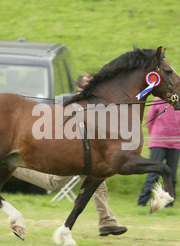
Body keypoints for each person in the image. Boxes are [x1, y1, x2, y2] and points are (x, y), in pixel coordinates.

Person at [13, 74, 127, 236]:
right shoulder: (71, 104)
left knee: (99, 186)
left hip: (88, 156)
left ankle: (107, 222)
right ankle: (14, 168)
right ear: (80, 89)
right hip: (71, 155)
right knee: (53, 183)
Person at [137, 98, 180, 207]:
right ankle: (142, 202)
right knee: (153, 174)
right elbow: (150, 120)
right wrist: (156, 135)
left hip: (175, 143)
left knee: (172, 176)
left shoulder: (178, 103)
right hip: (158, 142)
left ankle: (169, 203)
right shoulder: (157, 101)